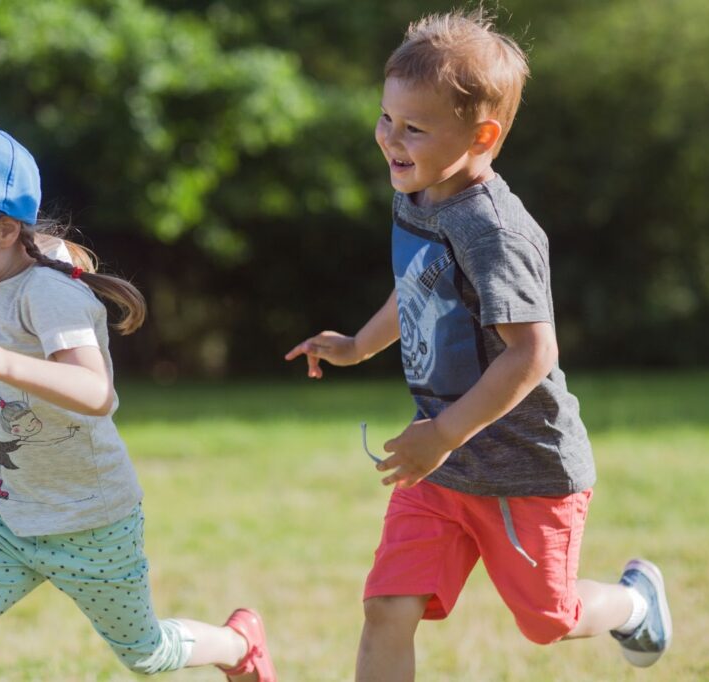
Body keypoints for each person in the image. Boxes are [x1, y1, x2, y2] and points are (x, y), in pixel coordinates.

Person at [285, 9, 670, 680]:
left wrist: (445, 433)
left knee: (548, 620)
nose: (390, 140)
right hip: (443, 465)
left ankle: (634, 604)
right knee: (386, 609)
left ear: (481, 135)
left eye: (414, 128)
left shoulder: (495, 231)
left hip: (526, 468)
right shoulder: (421, 191)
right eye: (386, 118)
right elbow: (422, 286)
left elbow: (532, 354)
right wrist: (358, 345)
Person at [0, 90, 276, 682]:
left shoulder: (48, 292)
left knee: (146, 655)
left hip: (91, 524)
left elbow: (96, 392)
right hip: (4, 523)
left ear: (5, 230)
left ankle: (239, 646)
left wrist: (3, 363)